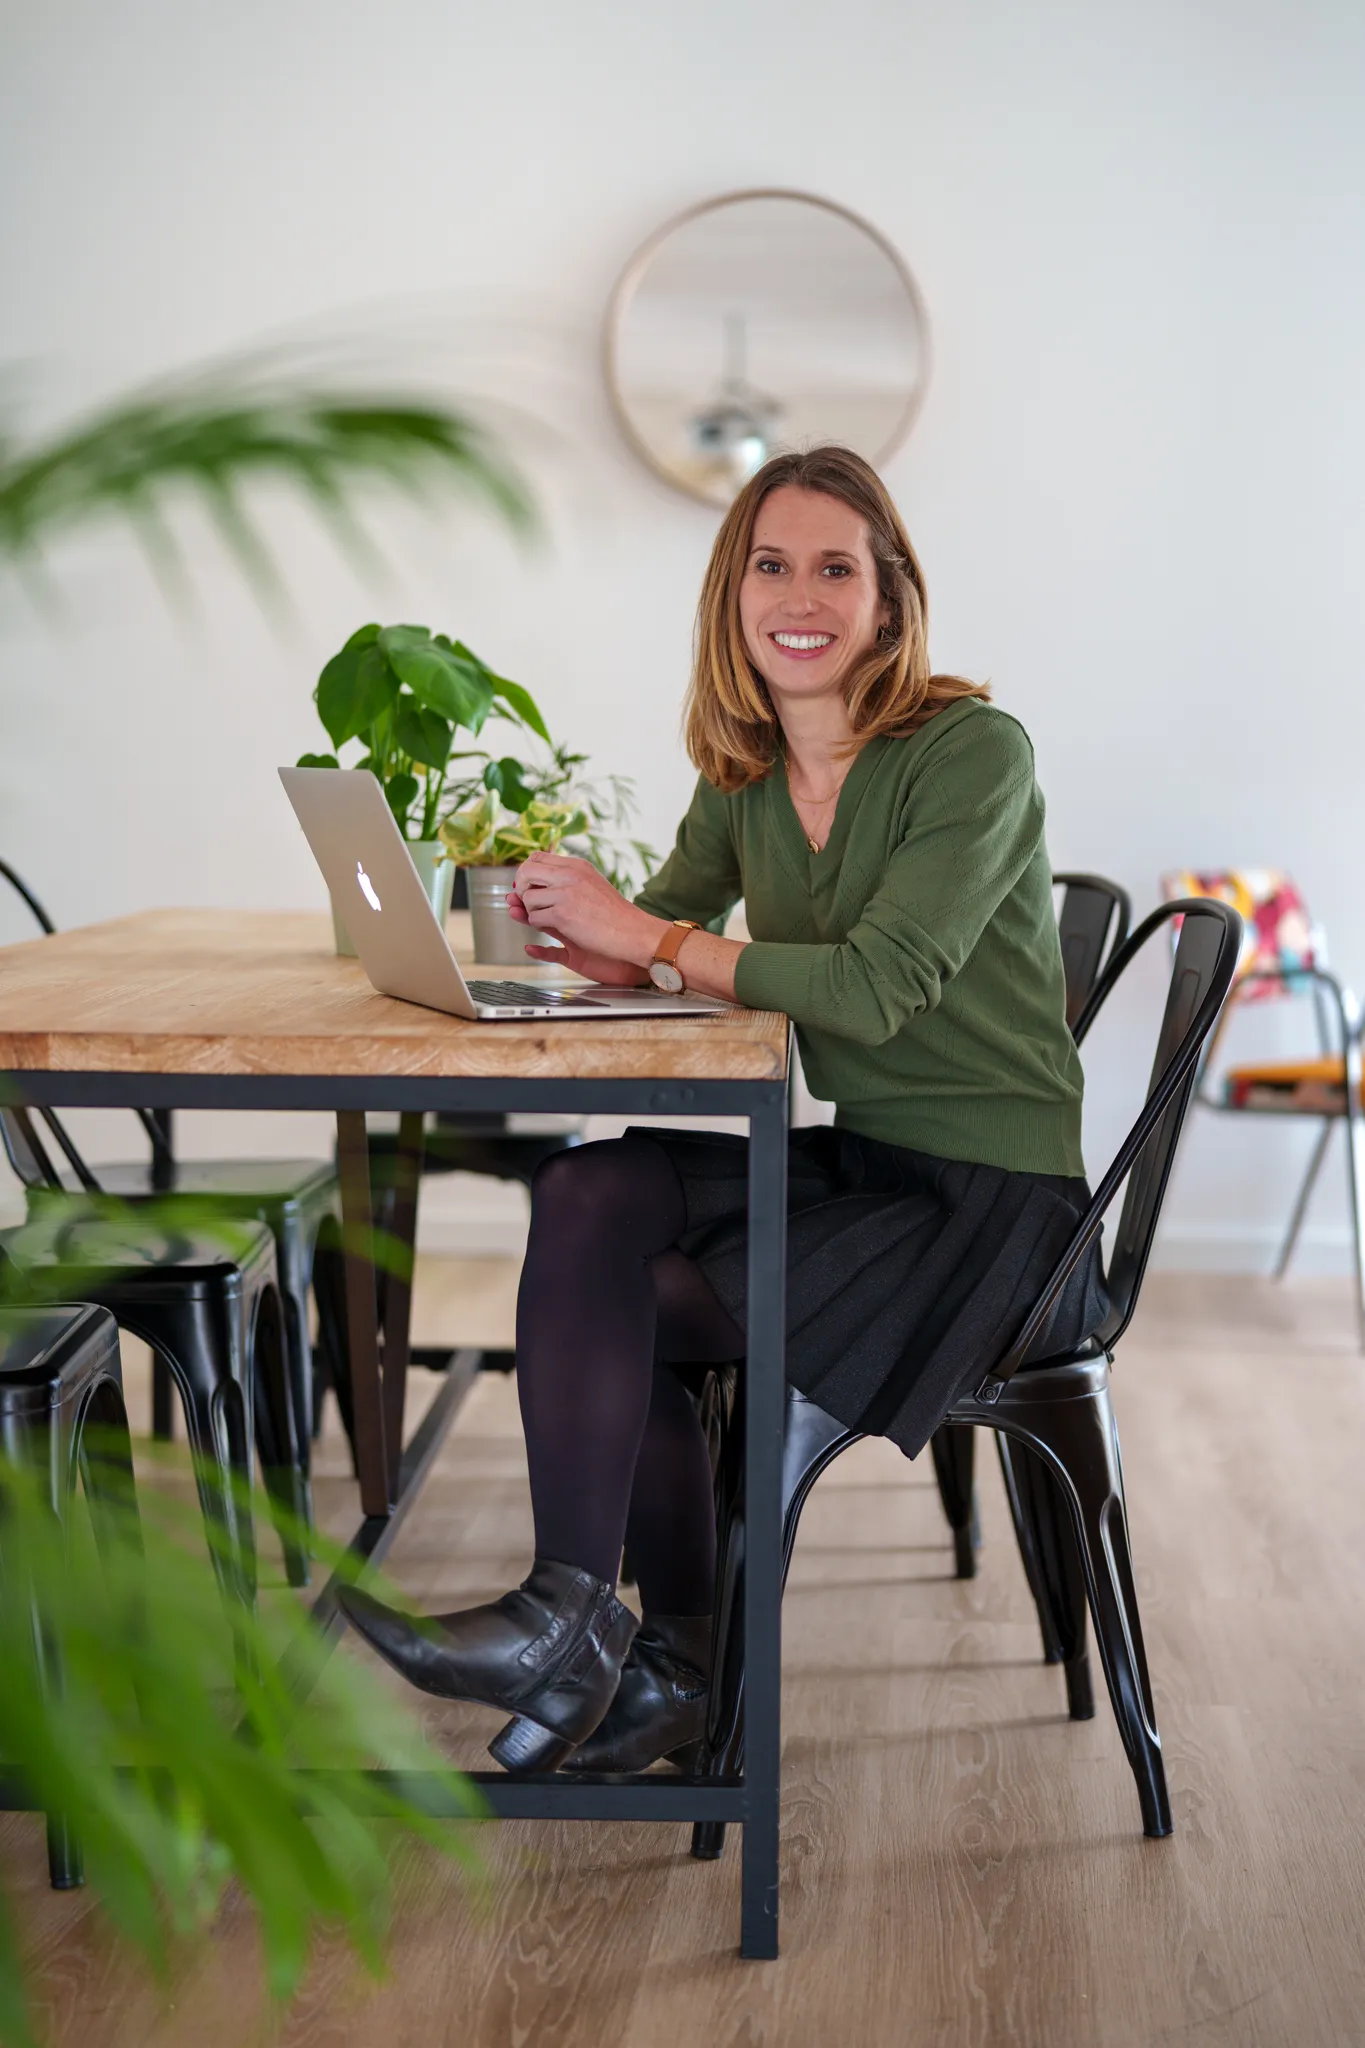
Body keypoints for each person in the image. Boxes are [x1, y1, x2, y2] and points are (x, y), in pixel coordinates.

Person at [340, 445, 1107, 1775]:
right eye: (770, 564)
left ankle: (662, 1662)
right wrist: (586, 936)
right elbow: (669, 932)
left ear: (889, 597)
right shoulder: (747, 773)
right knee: (589, 1194)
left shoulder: (972, 753)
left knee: (618, 1292)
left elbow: (874, 991)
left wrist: (648, 933)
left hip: (993, 1215)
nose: (798, 595)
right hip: (872, 1165)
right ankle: (584, 1624)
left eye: (835, 566)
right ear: (732, 593)